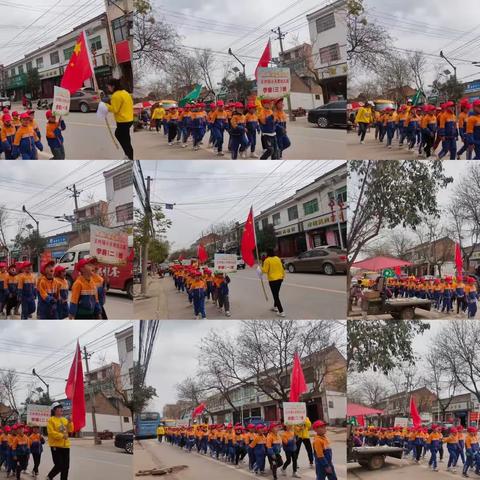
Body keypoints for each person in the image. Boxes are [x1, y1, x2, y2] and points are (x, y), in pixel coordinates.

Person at [104, 78, 134, 160]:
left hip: (122, 121)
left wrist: (105, 105)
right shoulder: (125, 93)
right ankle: (128, 153)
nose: (108, 88)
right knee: (126, 137)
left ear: (113, 86)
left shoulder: (116, 95)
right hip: (129, 119)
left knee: (120, 135)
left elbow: (114, 109)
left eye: (108, 87)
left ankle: (129, 155)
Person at [47, 402, 73, 480]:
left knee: (66, 466)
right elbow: (51, 433)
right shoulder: (51, 420)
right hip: (56, 446)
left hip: (65, 446)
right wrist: (62, 435)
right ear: (54, 410)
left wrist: (70, 422)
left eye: (61, 408)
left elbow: (70, 430)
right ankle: (49, 477)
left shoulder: (64, 419)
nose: (60, 410)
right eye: (58, 408)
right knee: (59, 465)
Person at [260, 248, 286, 317]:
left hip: (273, 280)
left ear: (267, 253)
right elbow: (282, 268)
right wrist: (283, 276)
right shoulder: (277, 258)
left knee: (275, 296)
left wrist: (260, 268)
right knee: (276, 294)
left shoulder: (267, 260)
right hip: (280, 278)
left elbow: (265, 270)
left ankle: (281, 311)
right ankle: (275, 307)